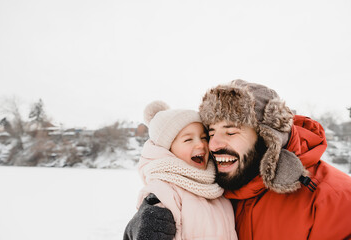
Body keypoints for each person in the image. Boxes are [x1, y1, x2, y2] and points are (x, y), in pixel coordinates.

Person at [124, 80, 351, 240]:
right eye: (211, 132)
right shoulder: (215, 187)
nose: (212, 145)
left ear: (266, 138)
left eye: (231, 132)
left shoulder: (334, 199)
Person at [123, 101, 238, 240]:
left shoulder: (218, 187)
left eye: (204, 137)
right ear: (168, 149)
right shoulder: (164, 192)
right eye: (188, 139)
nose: (200, 144)